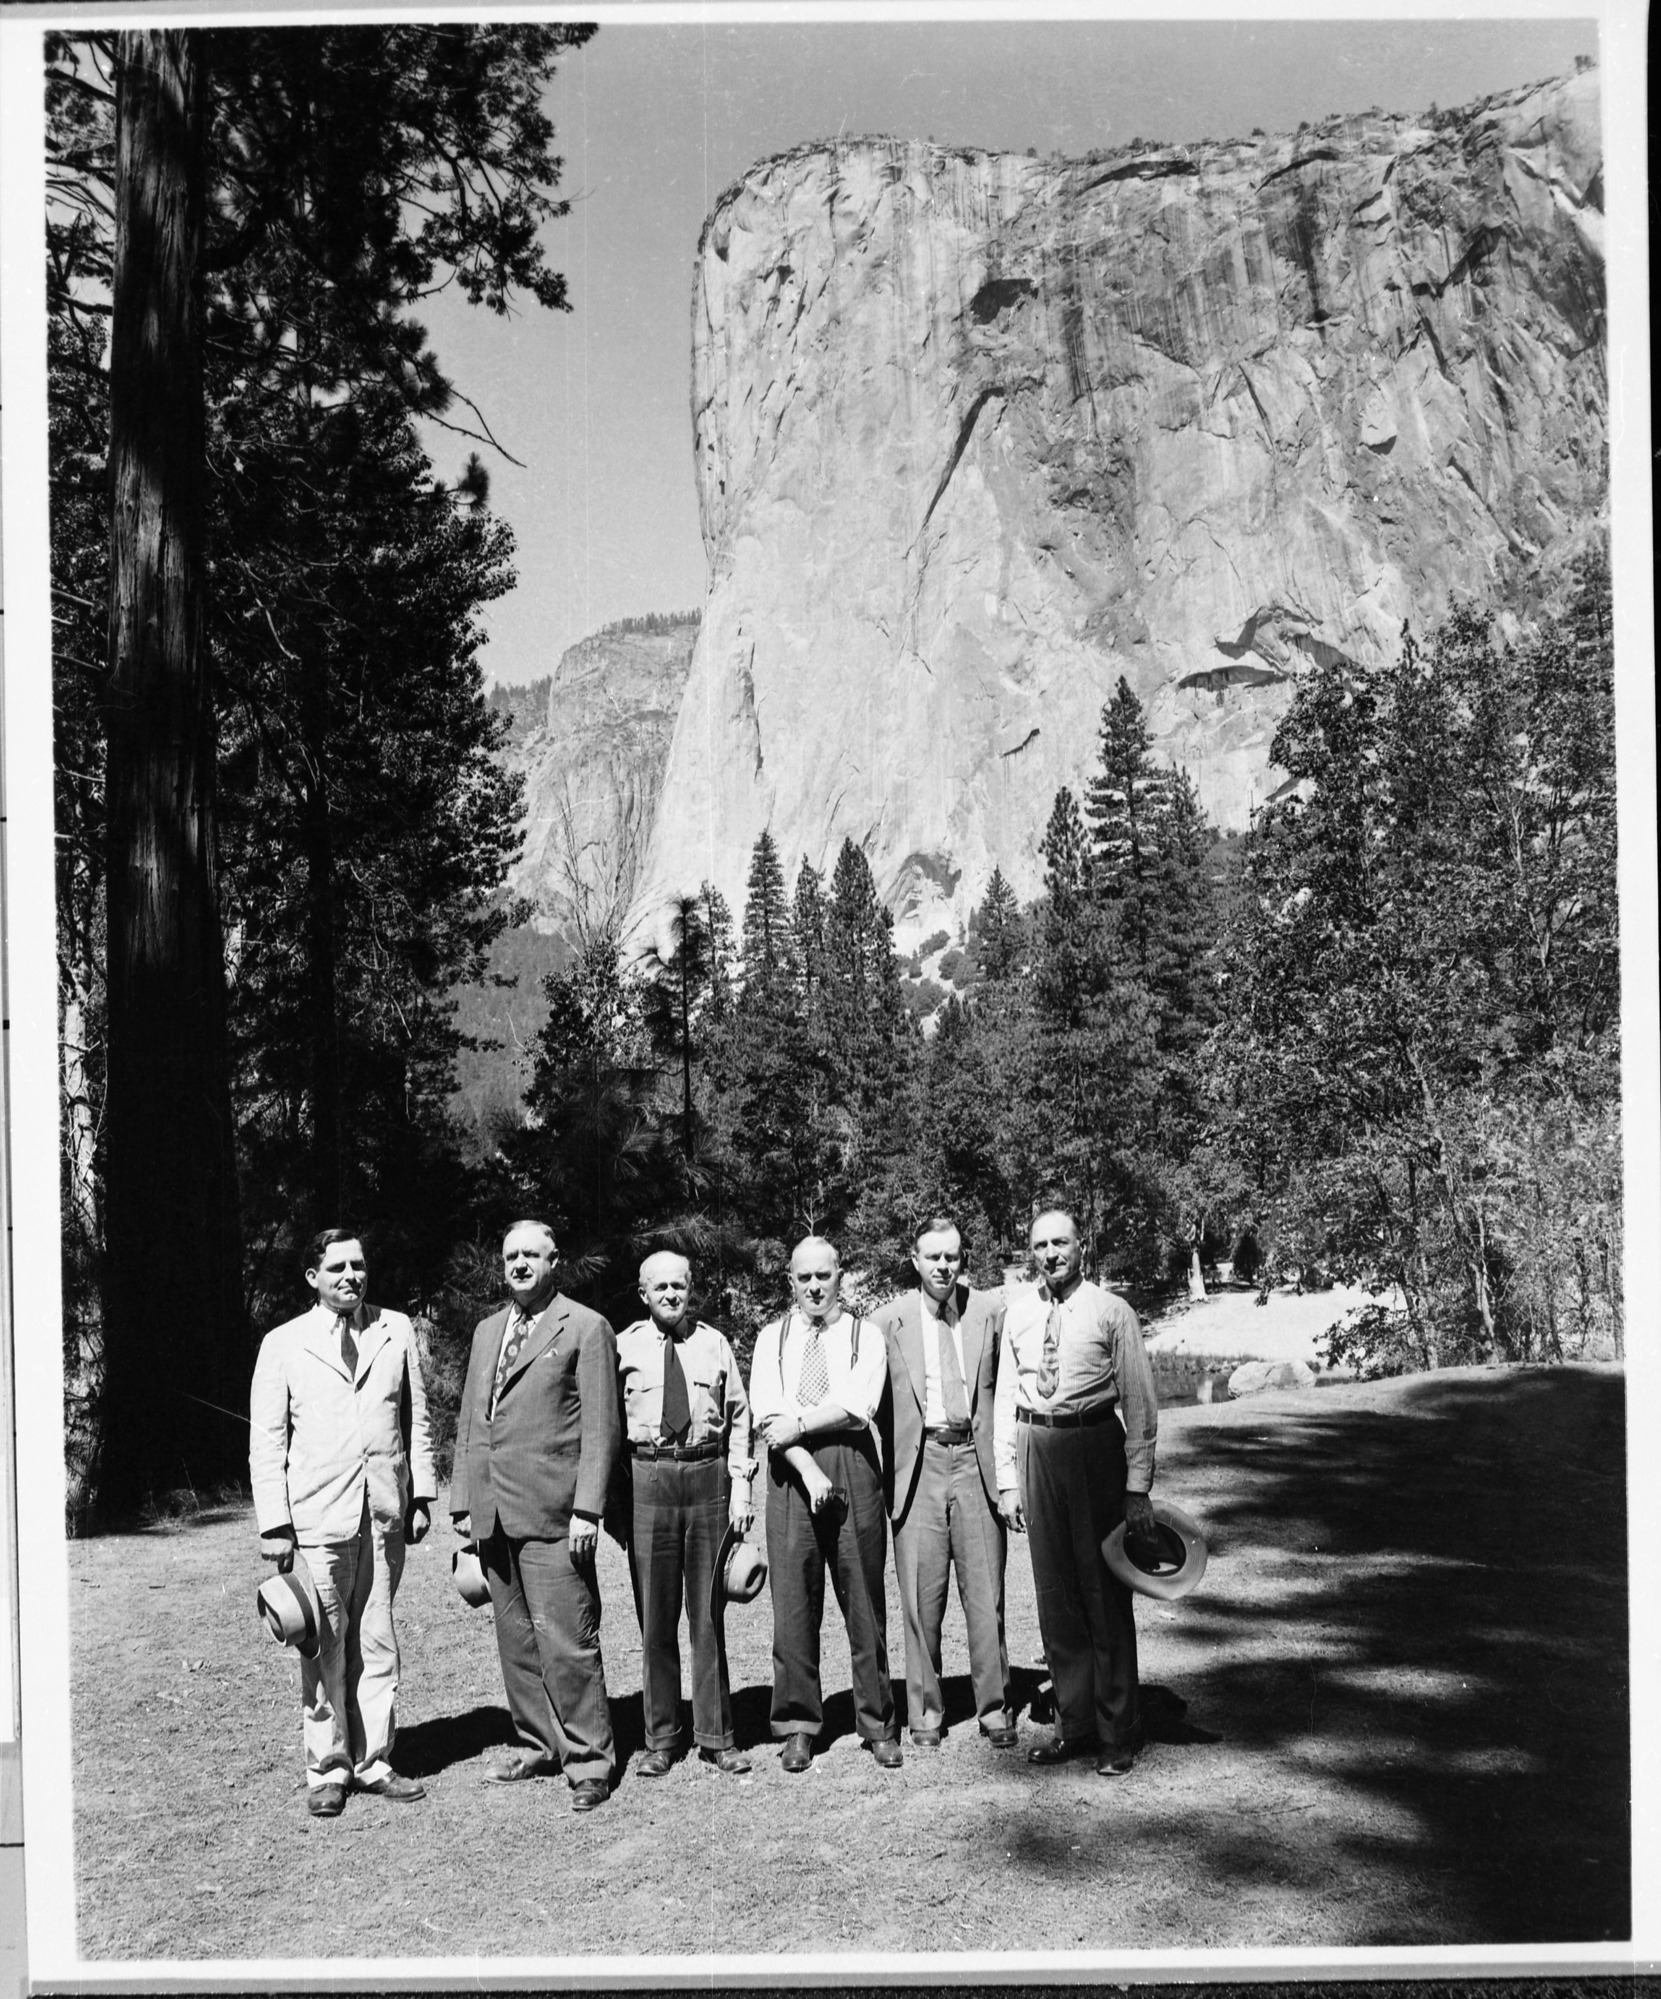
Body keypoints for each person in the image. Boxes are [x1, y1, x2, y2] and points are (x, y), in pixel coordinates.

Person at [250, 1228, 435, 1818]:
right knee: (324, 1646)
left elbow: (417, 1418)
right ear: (313, 1277)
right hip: (317, 1517)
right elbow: (267, 1441)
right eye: (337, 1268)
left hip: (383, 1514)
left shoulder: (395, 1329)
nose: (351, 1276)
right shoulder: (283, 1343)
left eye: (358, 1264)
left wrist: (422, 1493)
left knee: (377, 1639)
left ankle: (375, 1761)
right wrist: (275, 1524)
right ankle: (327, 1768)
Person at [451, 1220, 623, 1812]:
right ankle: (537, 1745)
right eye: (511, 1255)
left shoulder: (585, 1326)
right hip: (494, 1511)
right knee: (517, 1642)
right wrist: (463, 1501)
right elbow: (473, 1421)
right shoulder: (486, 1331)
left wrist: (588, 1508)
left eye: (532, 1254)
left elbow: (602, 1428)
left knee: (568, 1643)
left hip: (555, 1515)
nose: (520, 1263)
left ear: (556, 1260)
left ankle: (589, 1762)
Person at [994, 1208, 1162, 1776]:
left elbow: (1138, 1402)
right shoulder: (1018, 1312)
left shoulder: (1112, 1312)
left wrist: (1137, 1486)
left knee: (1103, 1594)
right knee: (1056, 1595)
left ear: (1080, 1245)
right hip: (1037, 1446)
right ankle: (1077, 1723)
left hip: (1093, 1446)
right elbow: (1004, 1400)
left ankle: (1118, 1732)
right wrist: (1009, 1480)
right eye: (1040, 1244)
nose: (1051, 1253)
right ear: (1031, 1252)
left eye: (1060, 1242)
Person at [749, 1236, 901, 1771]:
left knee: (863, 1597)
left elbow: (860, 1406)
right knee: (793, 1601)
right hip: (791, 1471)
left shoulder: (866, 1335)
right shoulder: (771, 1338)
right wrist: (807, 1465)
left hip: (852, 1464)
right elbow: (769, 1415)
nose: (815, 1287)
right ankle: (797, 1724)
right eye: (804, 1277)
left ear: (842, 1276)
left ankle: (878, 1721)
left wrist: (803, 1423)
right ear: (790, 1281)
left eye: (824, 1276)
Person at [615, 1251, 757, 1777]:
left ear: (691, 1287)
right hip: (648, 1478)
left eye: (679, 1285)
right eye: (661, 1287)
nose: (671, 1295)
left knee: (708, 1613)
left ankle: (718, 1735)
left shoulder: (714, 1343)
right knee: (655, 1618)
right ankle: (660, 1736)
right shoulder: (622, 1345)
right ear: (643, 1292)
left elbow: (741, 1420)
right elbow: (608, 1428)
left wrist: (741, 1490)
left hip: (707, 1478)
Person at [876, 1217, 1015, 1749]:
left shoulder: (988, 1313)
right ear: (915, 1260)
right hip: (920, 1466)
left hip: (975, 1466)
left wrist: (1007, 1476)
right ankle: (926, 1714)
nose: (943, 1266)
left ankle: (996, 1706)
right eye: (932, 1257)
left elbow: (1007, 1389)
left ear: (963, 1259)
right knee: (920, 1598)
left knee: (986, 1594)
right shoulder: (887, 1321)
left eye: (952, 1257)